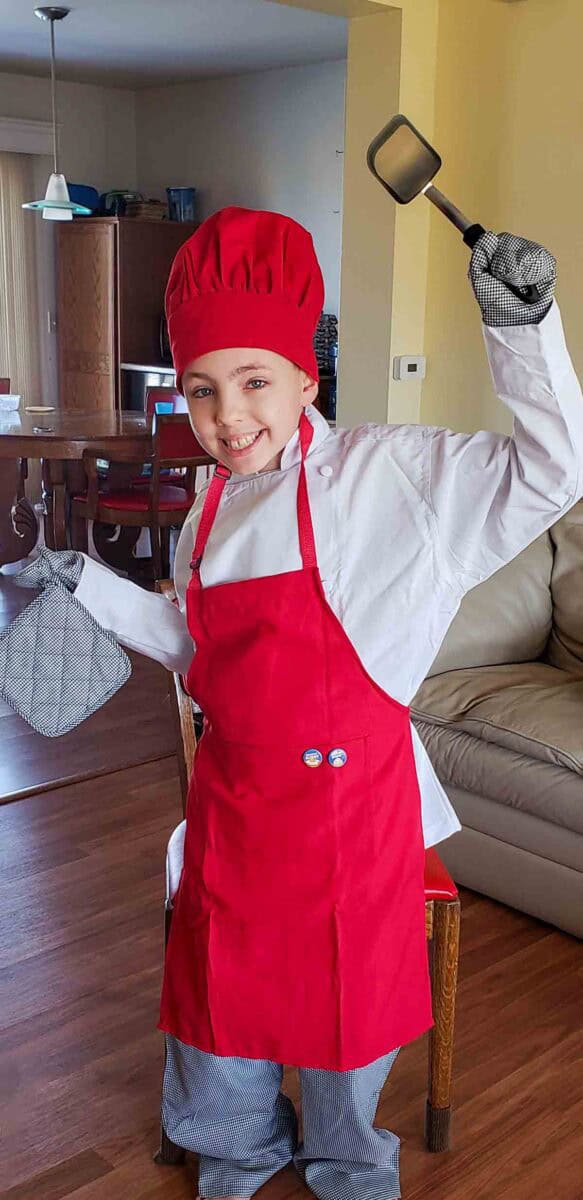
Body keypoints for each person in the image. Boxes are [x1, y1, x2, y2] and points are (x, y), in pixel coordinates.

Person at [74, 206, 583, 1200]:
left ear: (307, 376)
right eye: (203, 390)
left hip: (351, 811)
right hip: (232, 807)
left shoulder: (389, 478)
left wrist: (521, 334)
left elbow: (550, 470)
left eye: (255, 381)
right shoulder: (205, 511)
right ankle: (234, 1151)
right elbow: (195, 650)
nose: (228, 417)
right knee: (224, 992)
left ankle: (348, 1165)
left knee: (344, 1017)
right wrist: (89, 590)